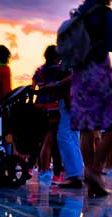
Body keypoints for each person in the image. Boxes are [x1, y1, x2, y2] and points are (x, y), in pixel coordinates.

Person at [62, 0, 112, 198]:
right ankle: (95, 170)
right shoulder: (104, 12)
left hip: (79, 75)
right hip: (99, 72)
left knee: (86, 127)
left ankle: (92, 177)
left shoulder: (79, 13)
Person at [31, 45, 83, 189]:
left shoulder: (45, 70)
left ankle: (70, 174)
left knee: (61, 137)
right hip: (66, 106)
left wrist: (53, 86)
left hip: (54, 107)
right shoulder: (66, 65)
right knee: (71, 137)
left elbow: (34, 86)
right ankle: (74, 172)